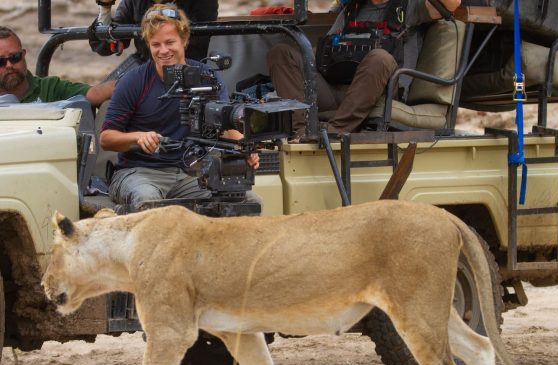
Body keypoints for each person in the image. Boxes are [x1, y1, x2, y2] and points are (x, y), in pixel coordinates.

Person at [100, 3, 260, 211]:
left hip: (190, 173)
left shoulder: (206, 76)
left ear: (184, 40)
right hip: (139, 172)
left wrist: (245, 148)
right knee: (149, 201)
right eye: (156, 45)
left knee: (249, 202)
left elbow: (226, 122)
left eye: (169, 42)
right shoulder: (133, 81)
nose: (163, 51)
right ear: (148, 45)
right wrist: (138, 137)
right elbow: (106, 138)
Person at [266, 0, 460, 139]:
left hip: (381, 92)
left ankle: (336, 131)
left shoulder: (410, 6)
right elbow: (324, 54)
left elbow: (453, 4)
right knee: (281, 52)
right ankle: (302, 131)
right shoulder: (351, 9)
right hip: (337, 91)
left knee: (379, 57)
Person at [90, 0, 219, 63]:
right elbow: (106, 45)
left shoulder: (202, 2)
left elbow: (201, 41)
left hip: (188, 68)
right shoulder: (133, 2)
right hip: (144, 67)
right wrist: (105, 7)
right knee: (98, 94)